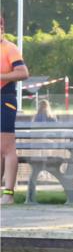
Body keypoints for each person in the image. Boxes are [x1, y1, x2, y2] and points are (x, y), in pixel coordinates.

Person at [1, 14, 29, 205]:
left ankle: (9, 194)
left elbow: (23, 73)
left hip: (5, 99)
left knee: (7, 147)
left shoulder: (9, 48)